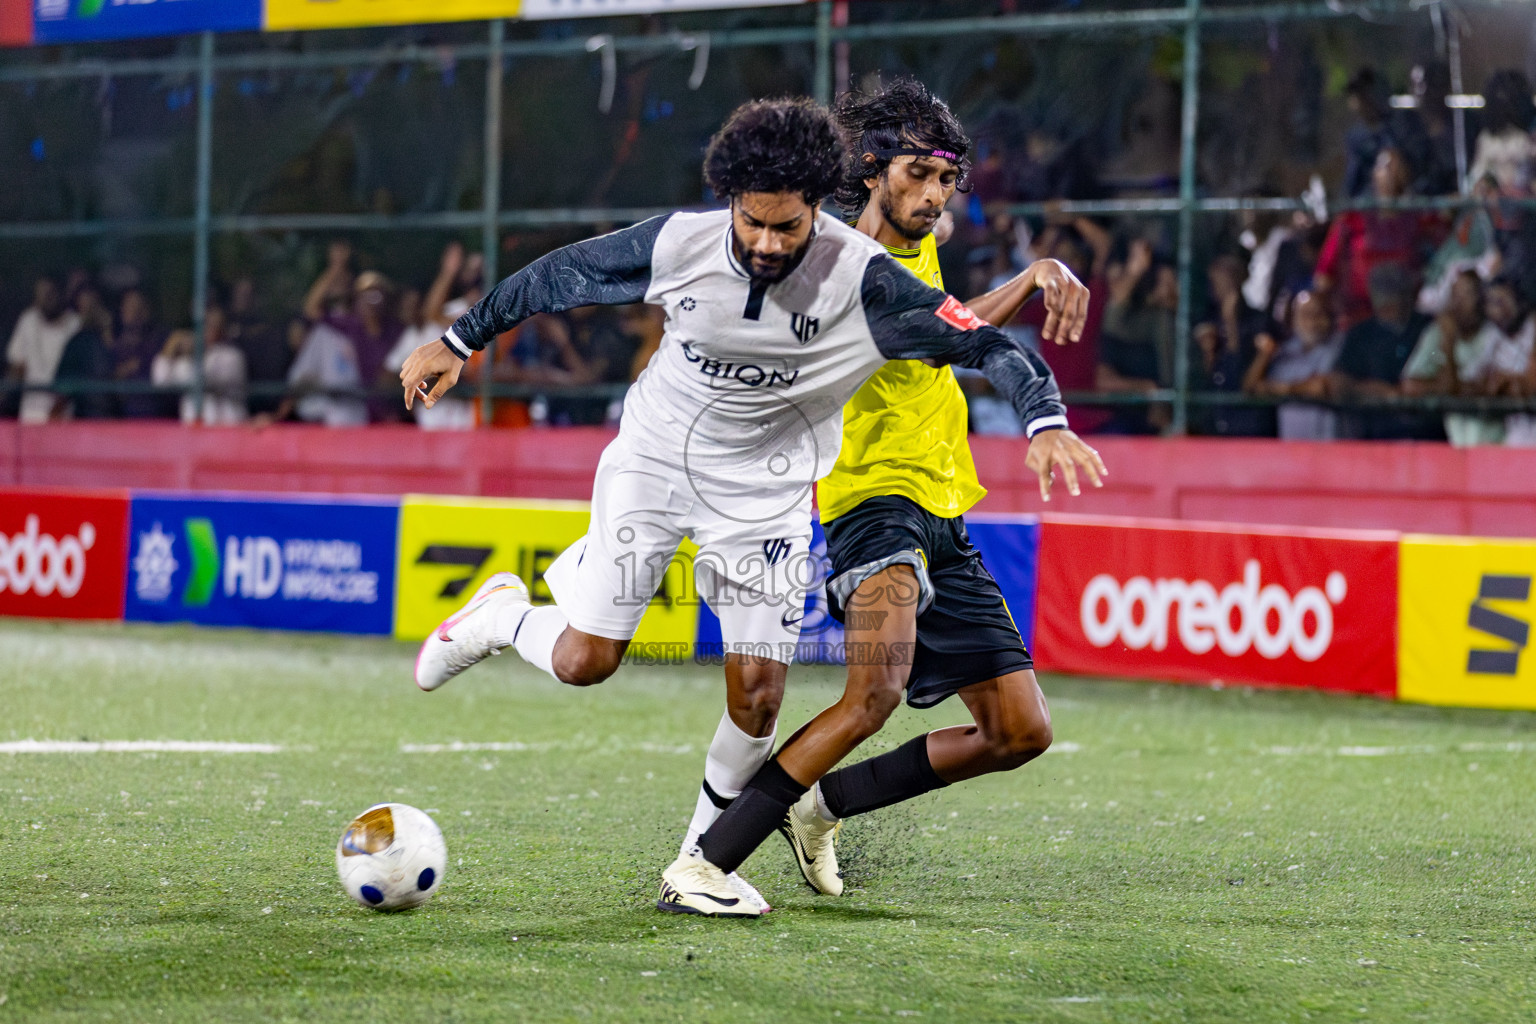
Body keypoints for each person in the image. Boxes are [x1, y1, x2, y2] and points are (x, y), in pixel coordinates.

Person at [397, 97, 1100, 918]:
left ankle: (700, 865)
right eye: (751, 224)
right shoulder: (680, 243)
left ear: (816, 208)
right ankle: (501, 619)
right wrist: (455, 342)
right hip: (657, 462)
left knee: (761, 693)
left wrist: (1045, 420)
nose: (766, 243)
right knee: (587, 661)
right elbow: (557, 276)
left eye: (786, 229)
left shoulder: (864, 276)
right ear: (731, 200)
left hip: (764, 496)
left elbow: (980, 343)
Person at [685, 78, 1102, 906]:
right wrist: (1034, 359)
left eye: (946, 179)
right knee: (872, 694)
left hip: (941, 507)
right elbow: (929, 343)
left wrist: (1028, 277)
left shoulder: (917, 248)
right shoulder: (837, 262)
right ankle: (704, 861)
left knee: (1021, 732)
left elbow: (944, 319)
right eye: (917, 174)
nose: (934, 194)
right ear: (872, 169)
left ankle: (823, 806)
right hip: (872, 504)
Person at [1314, 147, 1441, 327]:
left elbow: (1441, 238)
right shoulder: (1353, 216)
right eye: (1385, 166)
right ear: (1374, 173)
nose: (1391, 172)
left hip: (1403, 313)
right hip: (1357, 315)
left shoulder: (1418, 216)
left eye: (1397, 167)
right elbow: (1324, 272)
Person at [1330, 262, 1437, 440]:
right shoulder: (1360, 335)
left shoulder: (1430, 328)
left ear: (1410, 296)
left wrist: (1425, 388)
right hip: (1378, 434)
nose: (1390, 306)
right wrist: (1386, 393)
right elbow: (1338, 382)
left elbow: (1449, 370)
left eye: (1397, 297)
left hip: (1429, 433)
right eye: (1384, 299)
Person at [1400, 270, 1503, 446]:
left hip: (1495, 444)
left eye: (1467, 294)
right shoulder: (1437, 338)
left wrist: (1445, 384)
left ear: (1482, 298)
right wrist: (1446, 343)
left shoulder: (1495, 335)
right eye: (1455, 294)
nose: (1459, 302)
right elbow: (1411, 384)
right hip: (1455, 443)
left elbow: (1473, 388)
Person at [1244, 290, 1343, 441]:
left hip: (1332, 449)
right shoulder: (1286, 350)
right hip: (1292, 450)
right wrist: (1264, 354)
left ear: (1330, 318)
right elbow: (1252, 388)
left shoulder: (1340, 346)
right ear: (1293, 320)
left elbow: (1321, 387)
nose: (1312, 322)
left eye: (1318, 314)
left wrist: (1282, 389)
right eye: (1305, 315)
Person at [152, 302, 248, 426]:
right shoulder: (189, 358)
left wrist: (190, 352)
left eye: (216, 325)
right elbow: (161, 380)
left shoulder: (232, 356)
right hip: (194, 430)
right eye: (207, 324)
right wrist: (171, 346)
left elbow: (202, 379)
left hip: (227, 429)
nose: (210, 329)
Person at [6, 275, 80, 424]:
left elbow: (76, 374)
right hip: (30, 414)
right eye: (41, 294)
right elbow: (18, 365)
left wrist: (57, 409)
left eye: (50, 293)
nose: (45, 299)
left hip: (62, 417)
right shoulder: (28, 320)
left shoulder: (75, 324)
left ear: (62, 294)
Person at [1481, 277, 1536, 445]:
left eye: (1504, 301)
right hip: (1514, 434)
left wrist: (1508, 381)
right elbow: (1479, 383)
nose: (1500, 309)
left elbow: (1530, 385)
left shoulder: (1532, 326)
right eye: (1493, 302)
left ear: (1519, 301)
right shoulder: (1492, 336)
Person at [50, 284, 116, 420]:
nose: (90, 310)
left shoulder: (118, 337)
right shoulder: (76, 343)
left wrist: (108, 331)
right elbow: (62, 392)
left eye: (94, 305)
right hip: (85, 421)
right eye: (85, 306)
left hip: (121, 422)